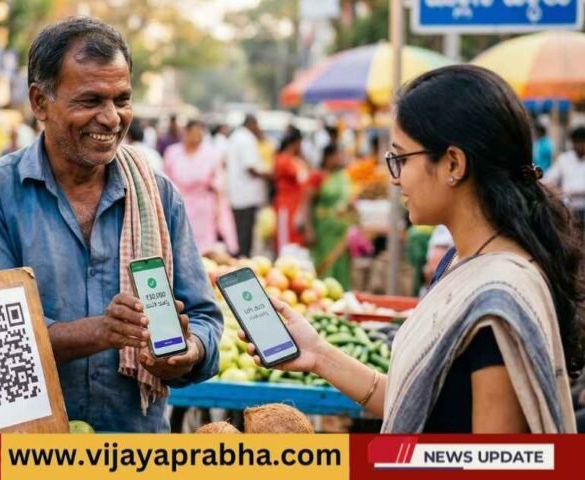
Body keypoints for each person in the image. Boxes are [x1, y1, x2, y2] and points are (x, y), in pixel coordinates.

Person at [240, 65, 582, 433]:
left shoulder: (498, 301)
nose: (394, 177)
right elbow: (418, 408)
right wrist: (318, 355)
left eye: (401, 158)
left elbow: (490, 461)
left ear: (453, 163)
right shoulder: (460, 261)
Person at [0, 17, 221, 433]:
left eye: (121, 99)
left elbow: (205, 317)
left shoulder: (158, 194)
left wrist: (186, 352)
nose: (112, 118)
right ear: (40, 102)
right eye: (90, 100)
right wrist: (101, 331)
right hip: (29, 445)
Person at [163, 120, 237, 254]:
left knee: (204, 248)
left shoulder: (212, 154)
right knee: (178, 245)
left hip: (204, 208)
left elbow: (219, 184)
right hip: (177, 205)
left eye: (200, 134)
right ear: (186, 133)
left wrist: (219, 209)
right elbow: (165, 179)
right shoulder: (172, 152)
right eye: (193, 134)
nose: (196, 138)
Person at [301, 144, 354, 289]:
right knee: (324, 264)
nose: (341, 158)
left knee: (342, 264)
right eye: (338, 155)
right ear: (328, 158)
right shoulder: (318, 176)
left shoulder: (343, 176)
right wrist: (309, 229)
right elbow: (306, 204)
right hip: (323, 230)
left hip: (341, 230)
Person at [226, 115, 270, 257]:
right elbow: (251, 167)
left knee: (240, 232)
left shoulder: (236, 136)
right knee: (244, 234)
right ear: (252, 124)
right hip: (246, 195)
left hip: (238, 194)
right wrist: (269, 176)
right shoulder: (246, 138)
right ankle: (243, 262)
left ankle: (239, 259)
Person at [273, 127, 309, 251]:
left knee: (295, 237)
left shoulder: (294, 159)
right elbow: (303, 177)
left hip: (295, 203)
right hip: (286, 205)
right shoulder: (284, 160)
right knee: (286, 239)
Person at [544, 126, 585, 230]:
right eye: (578, 142)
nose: (581, 146)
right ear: (573, 143)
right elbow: (549, 179)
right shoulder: (564, 159)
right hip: (569, 207)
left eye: (583, 143)